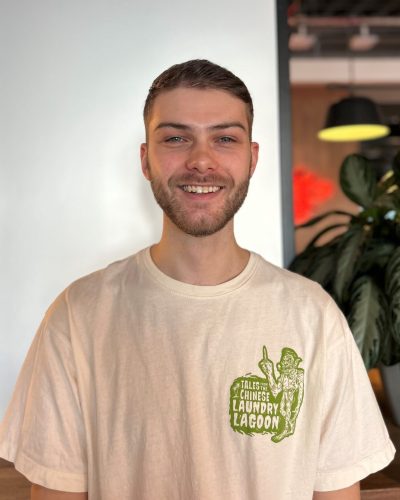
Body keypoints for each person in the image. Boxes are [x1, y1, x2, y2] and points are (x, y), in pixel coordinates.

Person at [0, 59, 395, 500]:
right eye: (176, 138)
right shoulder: (77, 316)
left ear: (252, 159)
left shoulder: (313, 316)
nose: (201, 160)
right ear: (146, 159)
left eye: (225, 138)